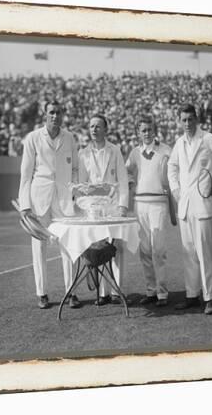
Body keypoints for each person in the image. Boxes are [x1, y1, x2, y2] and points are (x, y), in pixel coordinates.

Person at [168, 104, 212, 315]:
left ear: (196, 119)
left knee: (204, 254)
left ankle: (209, 298)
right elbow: (172, 167)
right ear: (179, 121)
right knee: (188, 253)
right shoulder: (179, 142)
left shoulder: (208, 139)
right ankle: (191, 295)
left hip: (203, 206)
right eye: (183, 120)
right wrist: (176, 190)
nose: (187, 123)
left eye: (190, 119)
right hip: (185, 207)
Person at [18, 101, 81, 309]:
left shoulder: (70, 138)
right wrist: (25, 204)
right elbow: (26, 174)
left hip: (64, 200)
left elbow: (74, 170)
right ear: (45, 115)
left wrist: (74, 193)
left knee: (68, 247)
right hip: (39, 199)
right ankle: (42, 293)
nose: (55, 116)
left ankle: (71, 292)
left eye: (58, 112)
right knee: (39, 248)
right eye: (51, 112)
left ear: (63, 115)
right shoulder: (33, 138)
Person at [78, 114, 129, 305]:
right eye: (91, 126)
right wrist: (85, 206)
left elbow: (123, 180)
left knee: (117, 249)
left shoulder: (115, 150)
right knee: (97, 249)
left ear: (105, 129)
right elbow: (82, 185)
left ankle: (117, 291)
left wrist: (123, 205)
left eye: (98, 126)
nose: (94, 129)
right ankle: (103, 293)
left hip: (113, 207)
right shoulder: (82, 154)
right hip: (93, 210)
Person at [125, 119, 172, 307]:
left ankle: (162, 293)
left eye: (150, 130)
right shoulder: (135, 153)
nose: (147, 133)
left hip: (159, 204)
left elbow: (176, 169)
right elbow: (126, 170)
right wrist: (130, 182)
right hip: (140, 204)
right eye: (143, 130)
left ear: (154, 131)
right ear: (138, 132)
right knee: (144, 251)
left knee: (158, 249)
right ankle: (151, 291)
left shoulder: (166, 150)